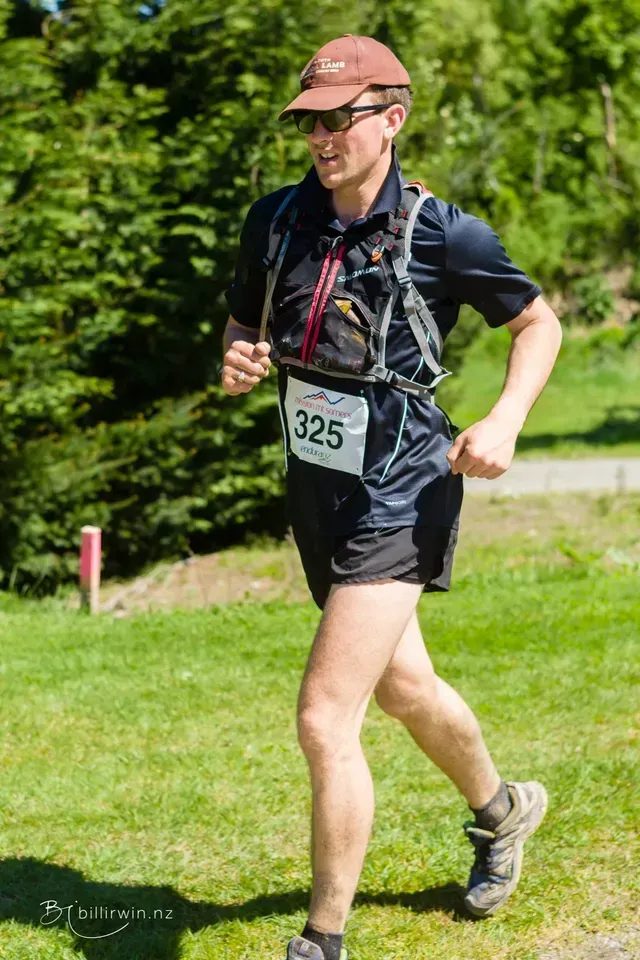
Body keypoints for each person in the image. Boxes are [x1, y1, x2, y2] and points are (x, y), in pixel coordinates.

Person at [221, 34, 562, 960]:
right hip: (318, 488)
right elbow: (244, 322)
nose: (323, 136)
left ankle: (321, 941)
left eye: (341, 117)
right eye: (310, 122)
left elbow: (538, 323)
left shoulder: (441, 230)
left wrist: (506, 421)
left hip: (404, 487)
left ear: (392, 119)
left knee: (325, 715)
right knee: (406, 687)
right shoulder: (276, 220)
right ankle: (504, 810)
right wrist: (239, 356)